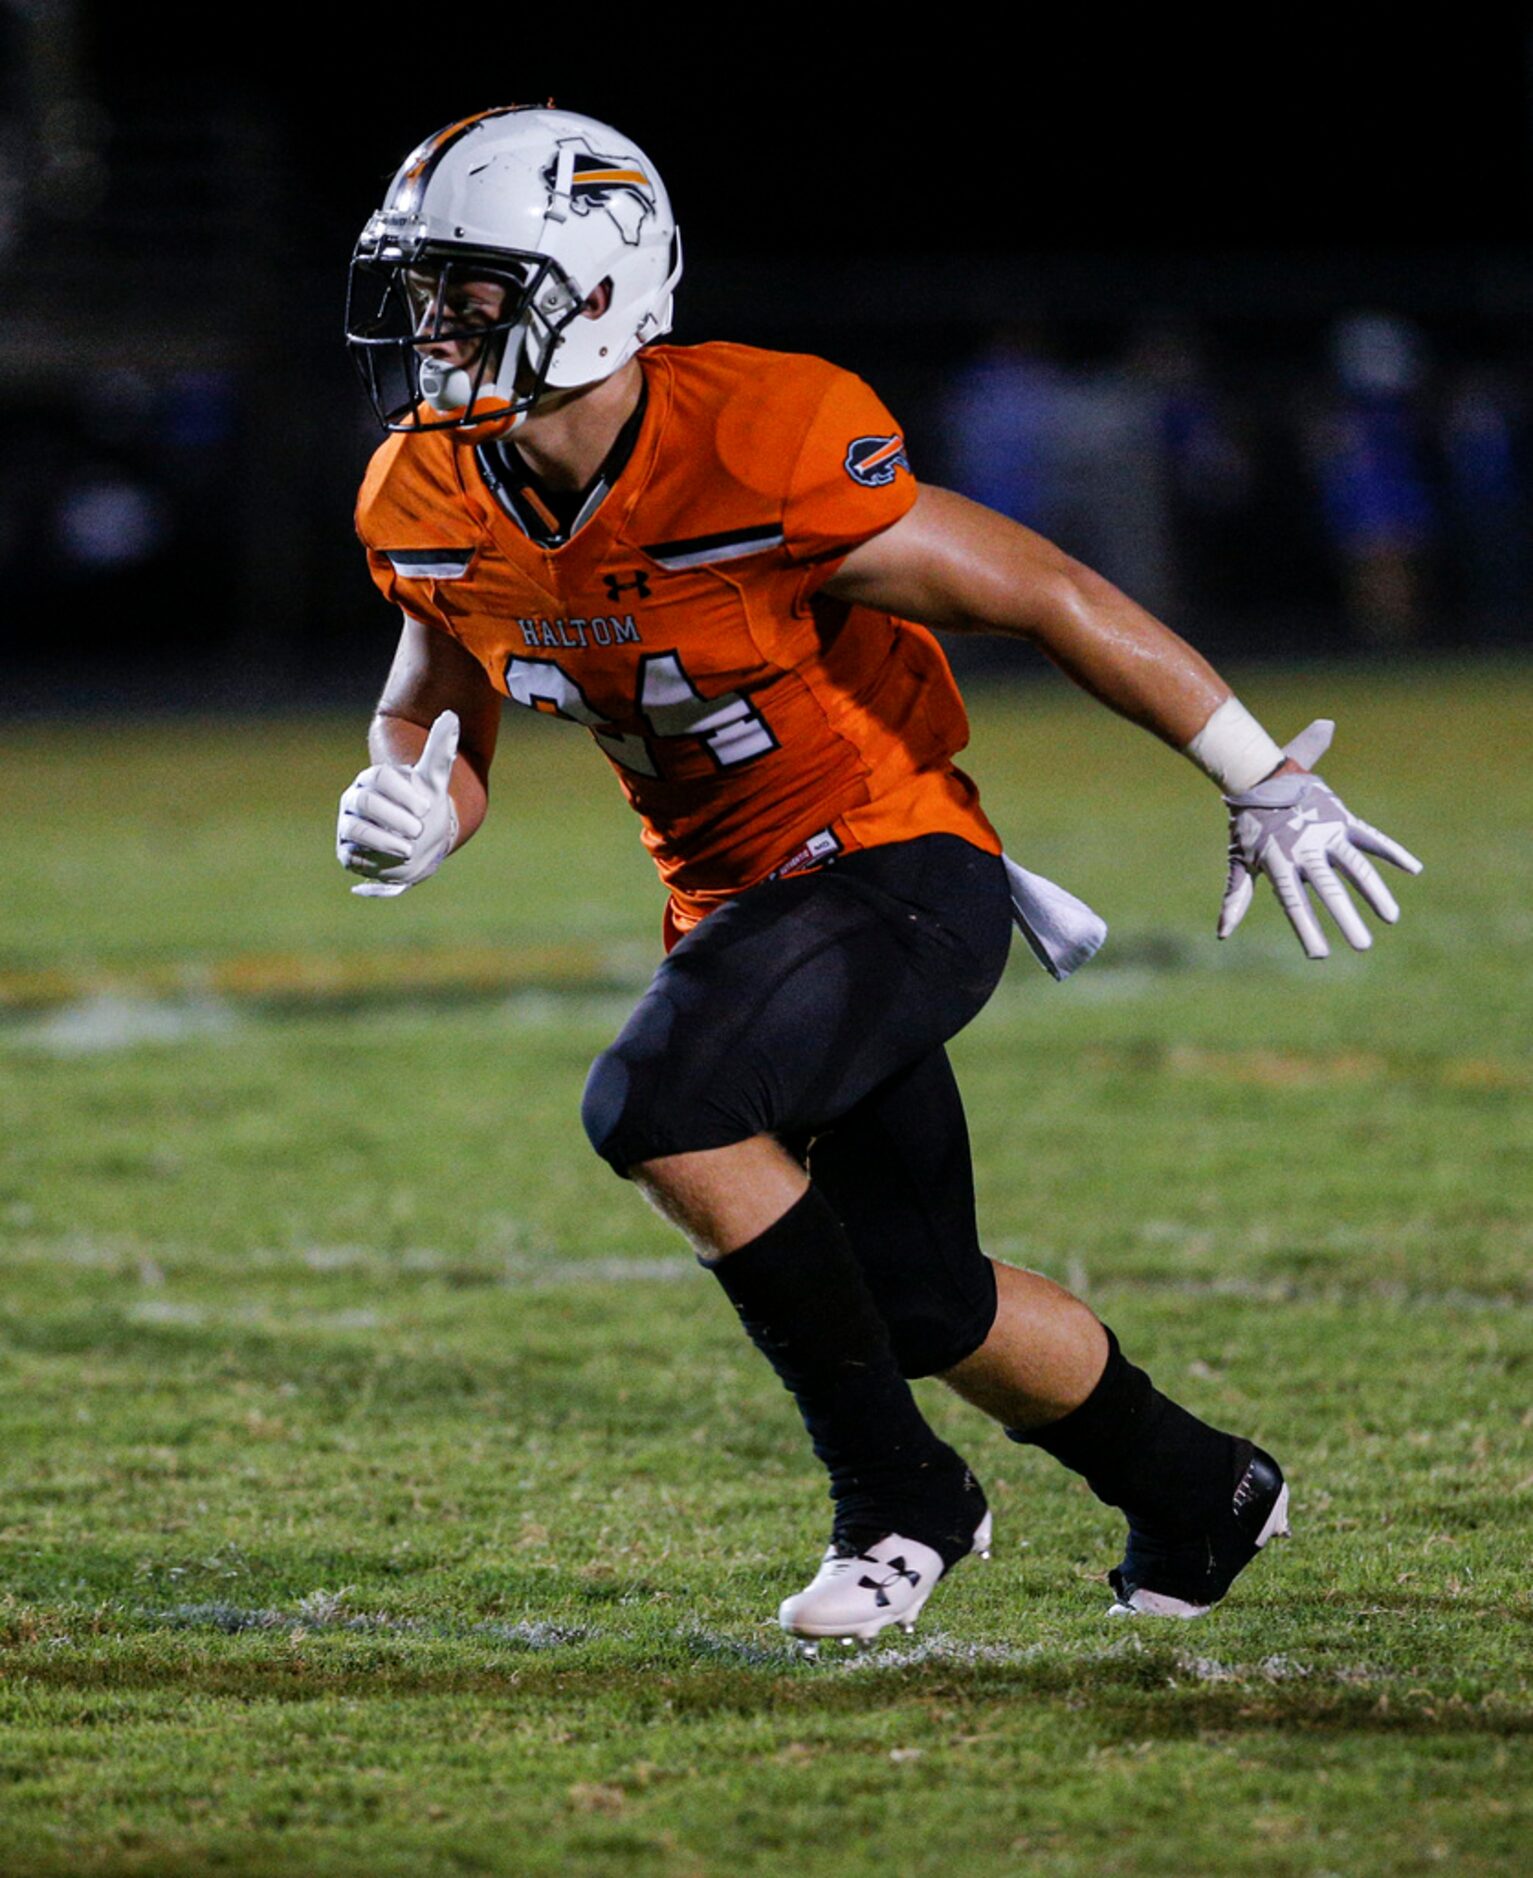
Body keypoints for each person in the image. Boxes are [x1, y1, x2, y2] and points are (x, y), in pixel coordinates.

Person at [336, 106, 1422, 1652]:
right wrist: (417, 802)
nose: (433, 320)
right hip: (732, 905)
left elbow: (1043, 588)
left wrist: (1255, 770)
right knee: (919, 1301)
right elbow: (435, 699)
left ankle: (901, 1503)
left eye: (470, 285)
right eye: (424, 285)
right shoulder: (427, 490)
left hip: (892, 863)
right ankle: (1198, 1485)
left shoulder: (758, 441)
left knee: (655, 1108)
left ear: (595, 285)